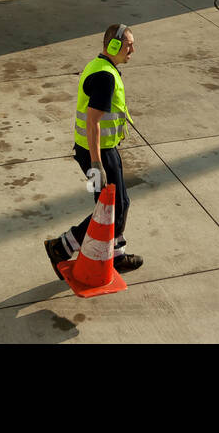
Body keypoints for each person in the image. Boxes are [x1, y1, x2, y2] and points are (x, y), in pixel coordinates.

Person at [44, 23, 144, 277]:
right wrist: (97, 164)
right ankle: (61, 247)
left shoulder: (102, 65)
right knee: (111, 208)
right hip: (96, 153)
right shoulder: (105, 77)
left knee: (118, 203)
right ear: (113, 46)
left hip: (101, 150)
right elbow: (93, 122)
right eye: (128, 44)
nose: (133, 48)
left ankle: (117, 254)